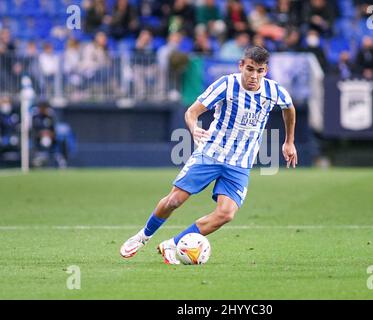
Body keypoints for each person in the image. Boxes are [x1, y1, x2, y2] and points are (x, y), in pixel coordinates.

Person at [120, 46, 298, 264]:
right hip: (211, 153)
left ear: (265, 71)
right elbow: (191, 112)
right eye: (250, 69)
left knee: (226, 214)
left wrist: (289, 142)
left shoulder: (274, 91)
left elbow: (289, 108)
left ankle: (173, 244)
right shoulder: (226, 84)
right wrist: (194, 128)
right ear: (241, 65)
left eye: (259, 71)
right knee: (175, 200)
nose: (253, 76)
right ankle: (142, 236)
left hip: (240, 163)